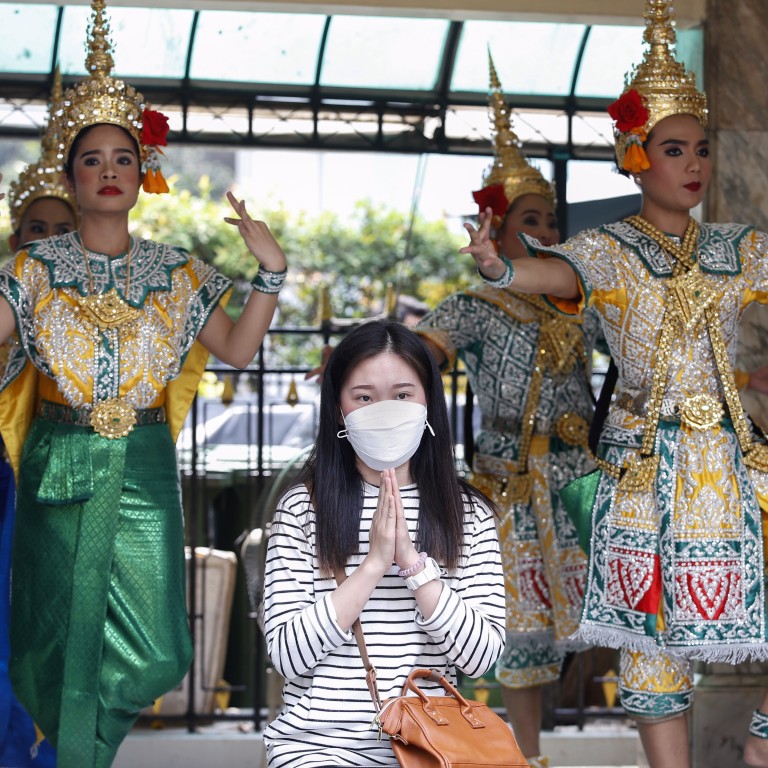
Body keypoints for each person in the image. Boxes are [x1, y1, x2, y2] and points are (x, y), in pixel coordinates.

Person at [462, 2, 768, 767]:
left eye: (701, 148)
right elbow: (547, 271)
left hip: (731, 466)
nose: (693, 164)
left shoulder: (740, 249)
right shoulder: (607, 249)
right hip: (642, 474)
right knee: (654, 650)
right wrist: (500, 267)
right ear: (636, 154)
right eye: (673, 149)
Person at [0, 1, 287, 766]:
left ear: (143, 173)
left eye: (123, 159)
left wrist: (271, 273)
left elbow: (235, 350)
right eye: (91, 160)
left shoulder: (177, 270)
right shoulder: (29, 271)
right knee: (53, 644)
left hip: (146, 466)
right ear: (69, 176)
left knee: (157, 645)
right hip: (59, 460)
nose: (108, 172)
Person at [415, 54, 602, 768]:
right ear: (495, 226)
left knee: (611, 621)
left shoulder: (580, 304)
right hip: (510, 488)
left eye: (552, 218)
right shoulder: (475, 306)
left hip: (578, 481)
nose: (549, 229)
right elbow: (418, 353)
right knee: (518, 639)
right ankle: (522, 759)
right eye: (532, 219)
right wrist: (363, 365)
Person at [261, 319, 505, 767]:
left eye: (403, 395)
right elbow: (287, 658)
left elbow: (481, 657)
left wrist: (413, 566)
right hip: (319, 748)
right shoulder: (302, 508)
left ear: (428, 403)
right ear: (339, 409)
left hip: (434, 749)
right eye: (365, 397)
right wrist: (372, 565)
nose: (385, 410)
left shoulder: (468, 513)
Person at [0, 72, 77, 768]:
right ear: (16, 234)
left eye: (63, 230)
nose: (48, 240)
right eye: (36, 229)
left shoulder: (93, 306)